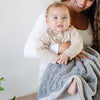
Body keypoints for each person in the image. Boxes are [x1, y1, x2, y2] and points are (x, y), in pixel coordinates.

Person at [24, 0, 100, 99]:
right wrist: (60, 48)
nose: (82, 1)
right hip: (56, 69)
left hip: (81, 70)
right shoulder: (53, 13)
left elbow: (81, 44)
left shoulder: (90, 17)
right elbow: (28, 50)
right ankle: (67, 85)